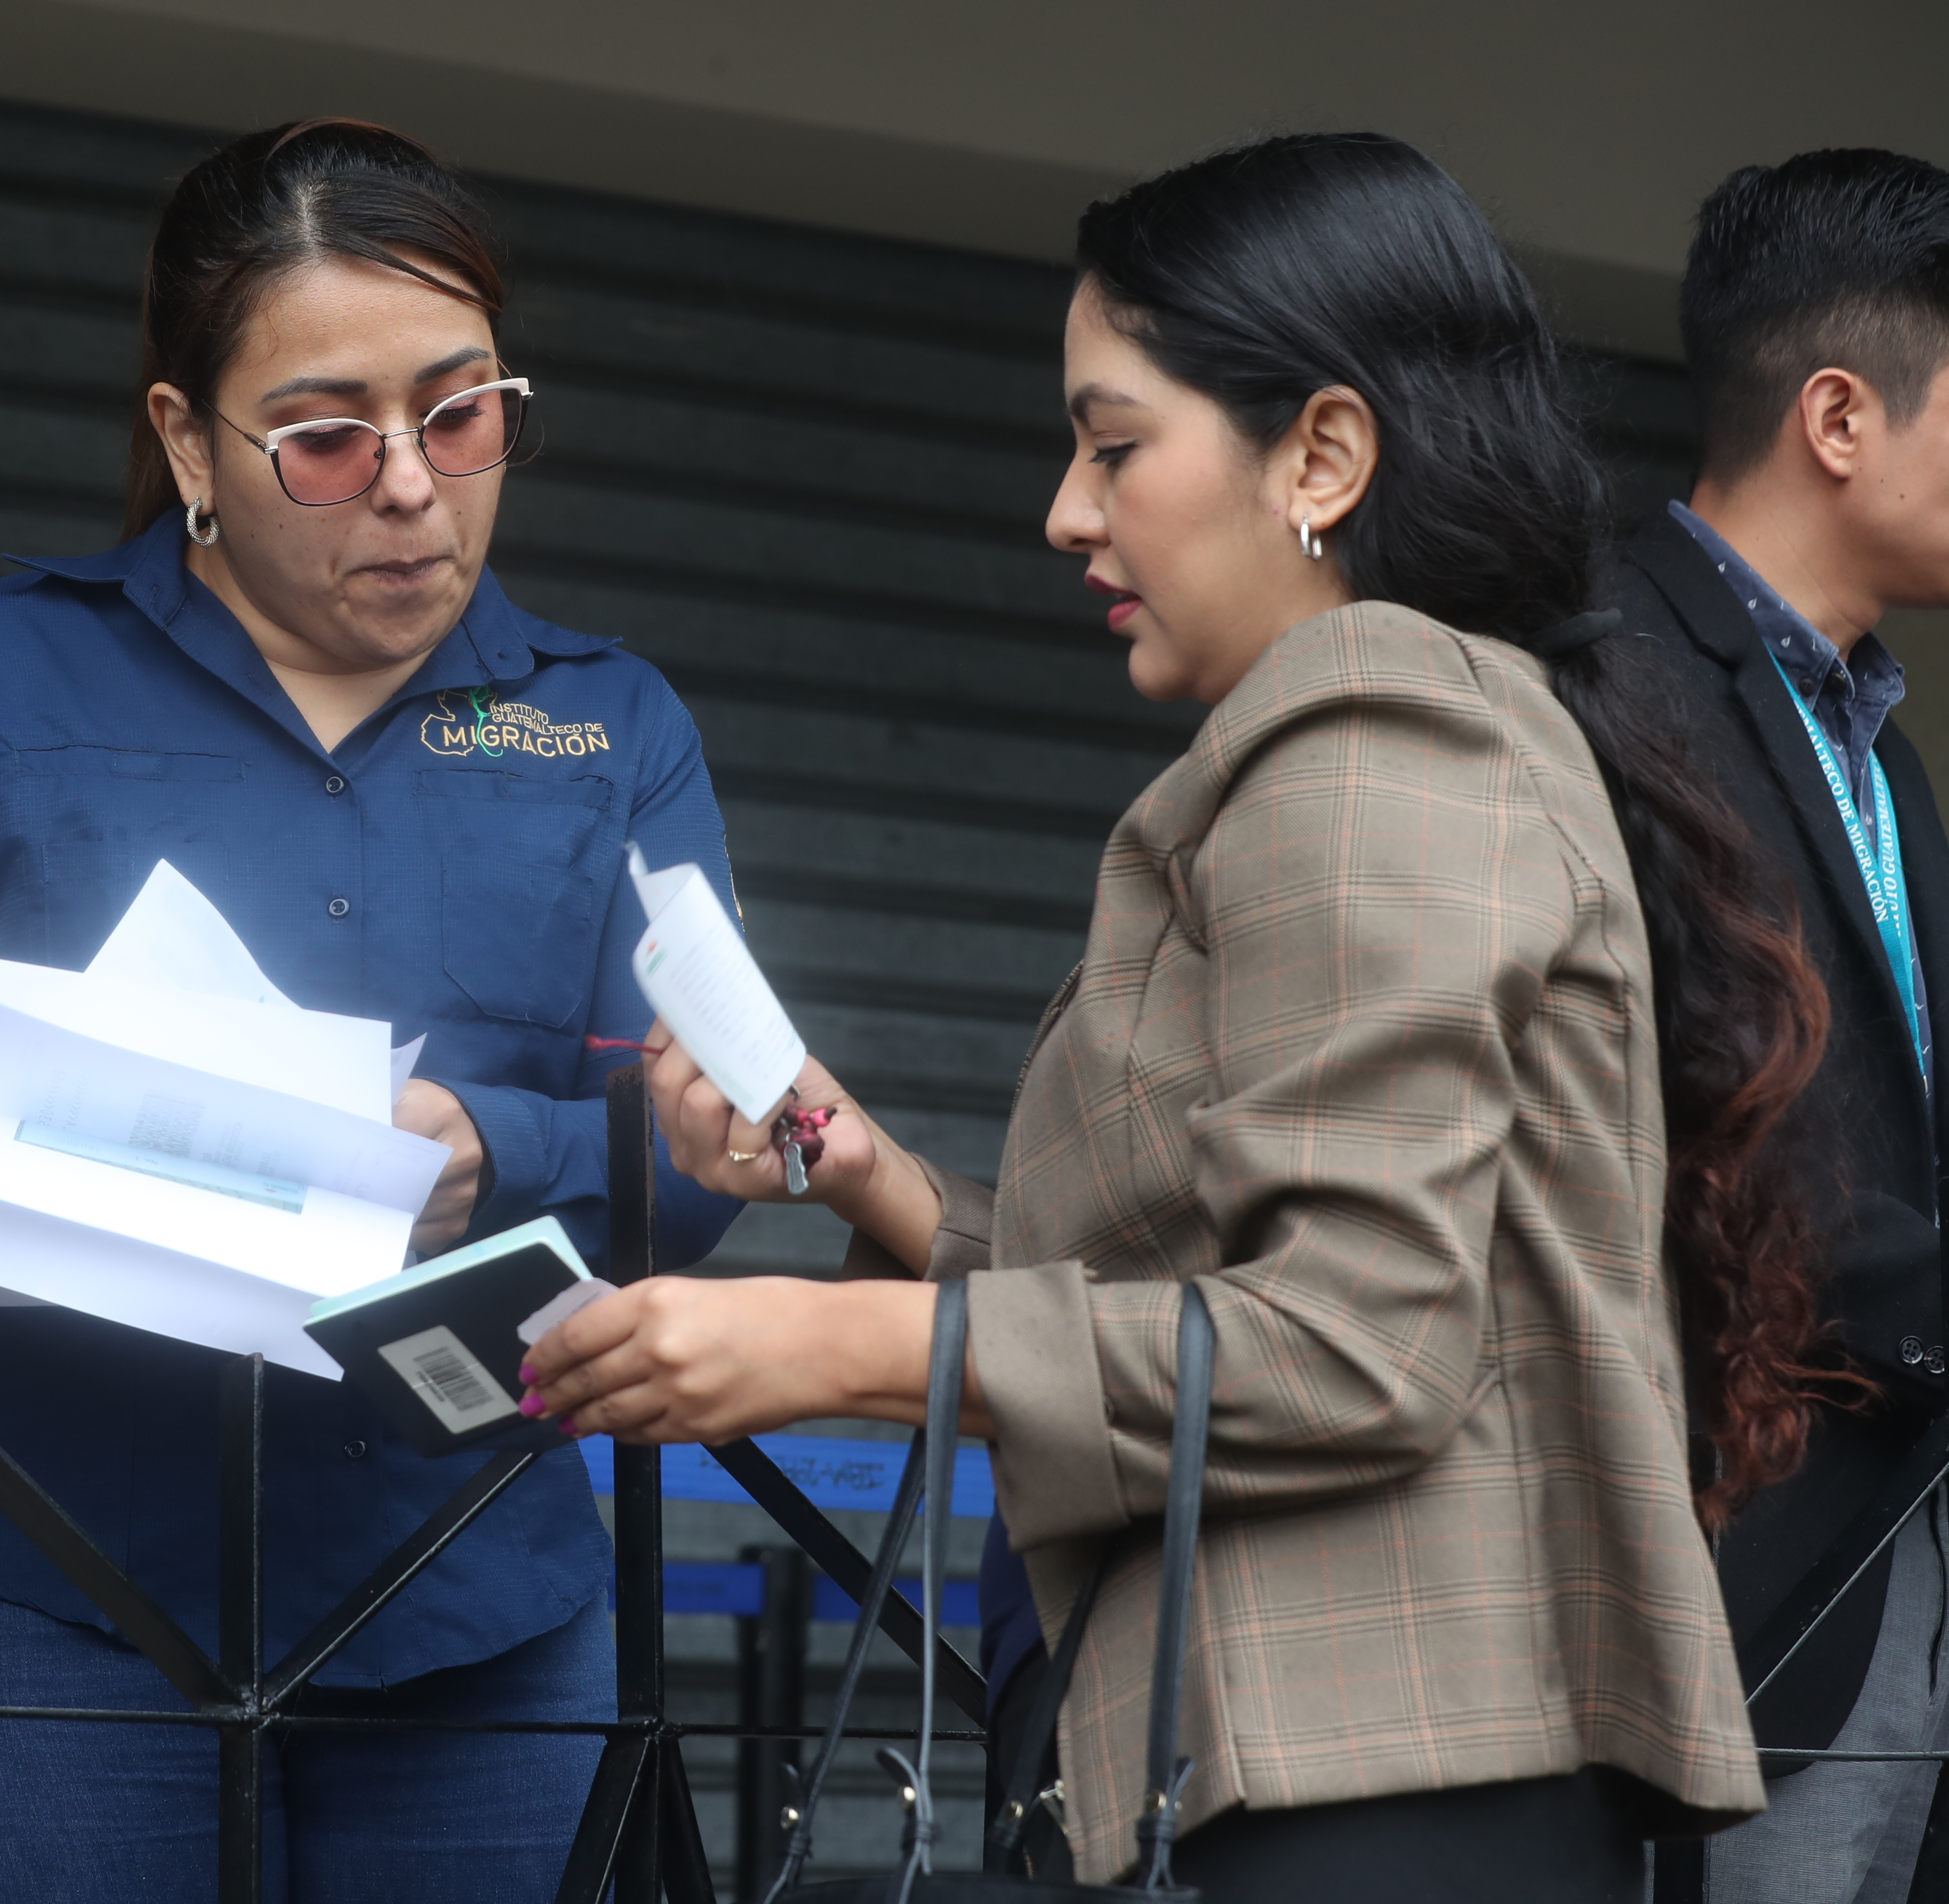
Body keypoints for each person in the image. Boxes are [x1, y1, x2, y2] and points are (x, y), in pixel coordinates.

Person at [524, 134, 1834, 1896]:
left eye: (1114, 442)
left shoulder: (1372, 733)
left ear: (1323, 453)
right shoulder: (1378, 735)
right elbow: (1213, 1297)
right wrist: (860, 1174)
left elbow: (1352, 1345)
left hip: (1364, 1795)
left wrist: (836, 1352)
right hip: (1326, 1775)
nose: (1068, 508)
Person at [0, 117, 743, 1901]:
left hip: (471, 1580)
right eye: (324, 437)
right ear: (186, 437)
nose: (408, 484)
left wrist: (505, 1148)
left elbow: (704, 1154)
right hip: (31, 1568)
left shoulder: (610, 728)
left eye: (461, 413)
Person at [1596, 149, 1949, 1904]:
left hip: (1894, 1556)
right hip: (1729, 1576)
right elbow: (1697, 1126)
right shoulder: (1601, 679)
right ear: (1838, 415)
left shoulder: (1880, 742)